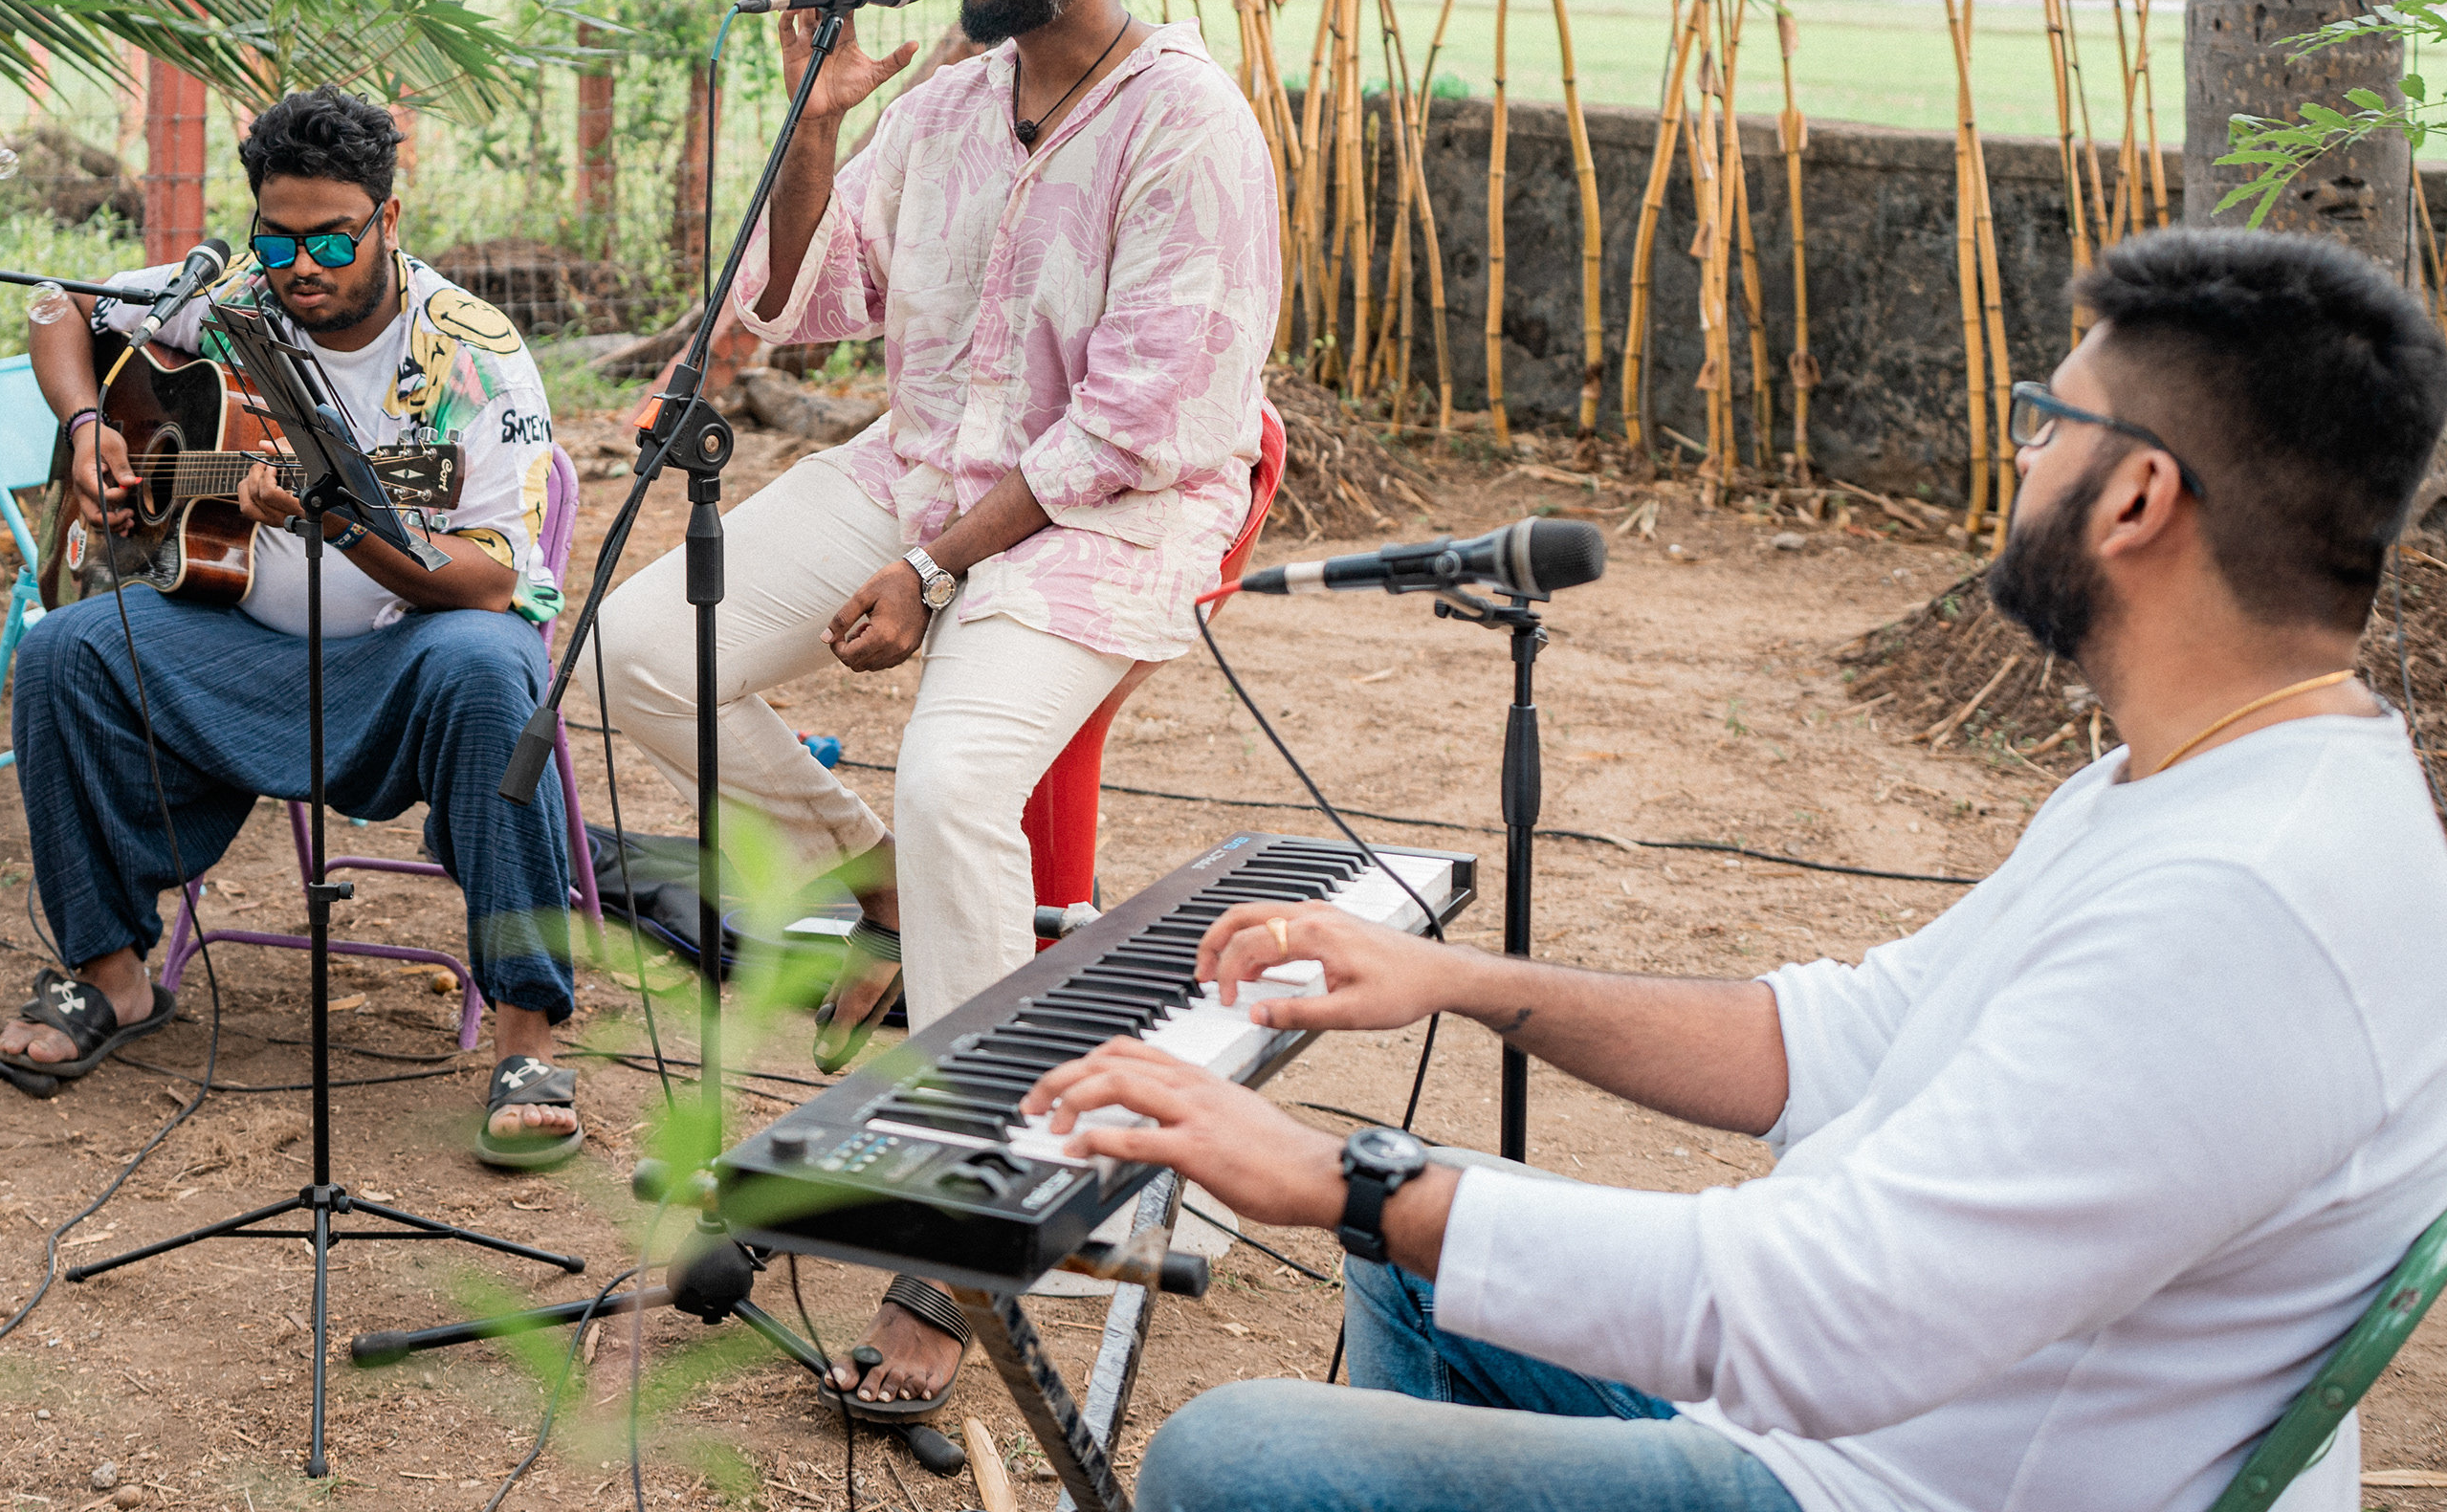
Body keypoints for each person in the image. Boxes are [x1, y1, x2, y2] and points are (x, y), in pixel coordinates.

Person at [1011, 225, 2447, 1512]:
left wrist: (1343, 1179)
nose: (2019, 458)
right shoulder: (2209, 786)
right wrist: (1459, 980)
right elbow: (1835, 1038)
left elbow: (1830, 1316)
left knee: (1237, 1454)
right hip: (1877, 1413)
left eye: (2044, 421)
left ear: (2137, 495)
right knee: (1424, 1249)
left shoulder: (2239, 903)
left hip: (1891, 1476)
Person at [584, 0, 1281, 1413]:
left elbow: (1140, 419)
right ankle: (876, 886)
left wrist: (931, 567)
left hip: (1103, 516)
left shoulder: (1188, 125)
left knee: (960, 781)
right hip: (920, 471)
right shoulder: (952, 107)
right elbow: (806, 298)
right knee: (630, 652)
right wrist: (816, 120)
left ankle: (964, 1233)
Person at [0, 88, 587, 1171]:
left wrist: (345, 523)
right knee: (61, 655)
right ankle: (114, 978)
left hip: (405, 658)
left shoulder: (473, 356)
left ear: (387, 219)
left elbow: (496, 580)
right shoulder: (228, 297)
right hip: (234, 646)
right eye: (278, 237)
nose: (301, 265)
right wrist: (86, 428)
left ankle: (526, 1035)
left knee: (491, 669)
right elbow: (54, 307)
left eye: (331, 240)